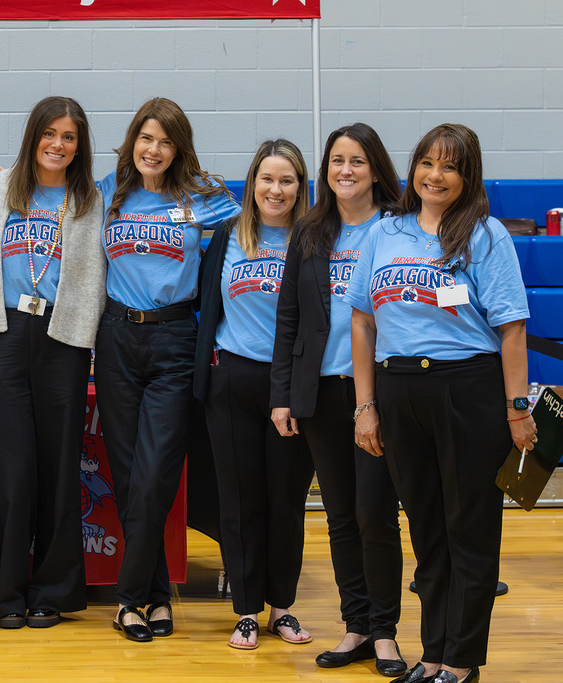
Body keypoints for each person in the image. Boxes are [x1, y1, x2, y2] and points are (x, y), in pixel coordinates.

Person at [346, 123, 536, 683]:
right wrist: (365, 405)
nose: (435, 175)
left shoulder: (485, 234)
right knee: (427, 535)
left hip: (468, 391)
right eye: (427, 163)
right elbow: (361, 321)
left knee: (470, 531)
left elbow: (512, 329)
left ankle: (461, 661)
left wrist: (517, 407)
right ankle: (431, 657)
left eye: (449, 166)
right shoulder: (385, 232)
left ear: (466, 176)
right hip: (399, 390)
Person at [96, 97, 240, 642]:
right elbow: (45, 192)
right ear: (133, 141)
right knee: (131, 476)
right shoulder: (109, 191)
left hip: (176, 338)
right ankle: (156, 597)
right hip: (115, 337)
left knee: (156, 474)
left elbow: (262, 228)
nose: (153, 150)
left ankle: (130, 598)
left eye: (165, 141)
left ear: (179, 148)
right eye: (145, 138)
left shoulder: (205, 196)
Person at [269, 123, 406, 675]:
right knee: (342, 515)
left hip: (380, 395)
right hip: (321, 392)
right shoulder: (310, 231)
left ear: (375, 168)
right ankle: (356, 628)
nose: (344, 171)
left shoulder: (398, 229)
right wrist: (283, 395)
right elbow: (288, 319)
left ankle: (386, 633)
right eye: (336, 161)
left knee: (376, 513)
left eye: (356, 161)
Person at [0, 96, 105, 629]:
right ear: (33, 136)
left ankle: (51, 590)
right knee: (9, 468)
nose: (58, 144)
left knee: (57, 464)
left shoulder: (91, 198)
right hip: (2, 333)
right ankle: (5, 592)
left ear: (80, 145)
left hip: (63, 335)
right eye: (49, 133)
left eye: (69, 137)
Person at [193, 139, 314, 650]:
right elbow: (205, 303)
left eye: (287, 180)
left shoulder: (312, 240)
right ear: (253, 184)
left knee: (285, 500)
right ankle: (245, 609)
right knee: (238, 501)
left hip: (289, 384)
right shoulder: (228, 234)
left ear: (300, 188)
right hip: (233, 380)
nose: (276, 189)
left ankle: (281, 607)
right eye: (267, 179)